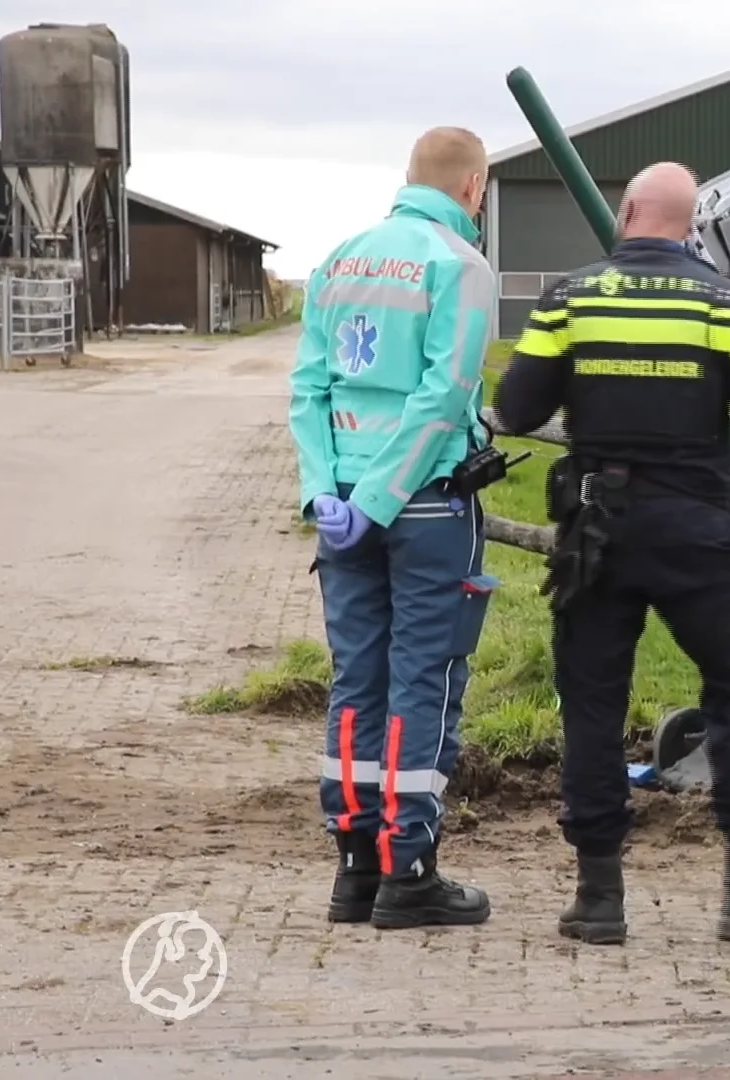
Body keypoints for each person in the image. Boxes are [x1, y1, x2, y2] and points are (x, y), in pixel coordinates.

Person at [492, 161, 730, 947]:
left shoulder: (570, 300)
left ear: (630, 210)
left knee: (593, 708)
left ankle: (598, 900)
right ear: (689, 225)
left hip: (597, 535)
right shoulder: (723, 304)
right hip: (698, 534)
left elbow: (515, 409)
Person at [289, 126, 500, 929]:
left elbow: (307, 388)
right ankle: (408, 870)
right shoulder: (460, 266)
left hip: (341, 515)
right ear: (473, 188)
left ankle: (354, 868)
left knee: (356, 682)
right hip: (424, 508)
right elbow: (445, 395)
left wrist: (326, 495)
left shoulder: (339, 260)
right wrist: (380, 498)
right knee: (424, 679)